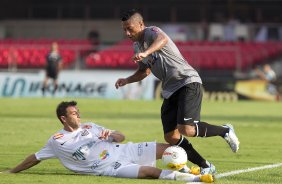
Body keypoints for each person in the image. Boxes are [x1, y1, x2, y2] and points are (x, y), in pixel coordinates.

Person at [115, 9, 240, 174]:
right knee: (171, 136)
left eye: (130, 28)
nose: (127, 32)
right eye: (124, 29)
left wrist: (146, 52)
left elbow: (163, 39)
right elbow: (144, 71)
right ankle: (206, 166)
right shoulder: (137, 45)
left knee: (187, 129)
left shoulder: (152, 32)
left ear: (141, 24)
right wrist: (127, 80)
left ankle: (225, 130)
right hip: (169, 90)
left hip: (187, 81)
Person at [0, 101, 214, 183]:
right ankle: (193, 179)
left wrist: (111, 135)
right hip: (110, 166)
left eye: (78, 111)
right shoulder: (57, 140)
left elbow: (121, 136)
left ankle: (186, 167)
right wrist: (12, 171)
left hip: (123, 149)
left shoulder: (90, 126)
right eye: (74, 113)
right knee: (149, 172)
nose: (79, 115)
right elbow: (35, 158)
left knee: (171, 148)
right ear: (64, 119)